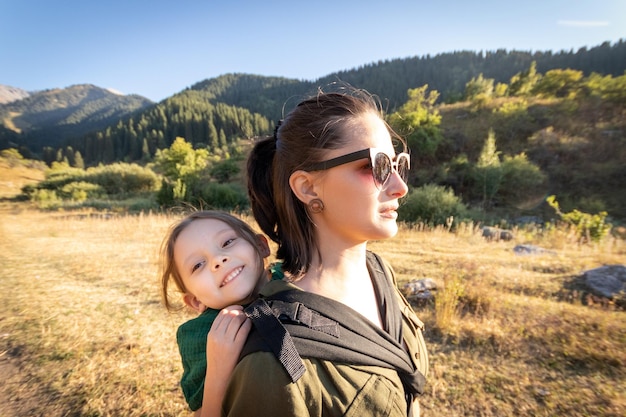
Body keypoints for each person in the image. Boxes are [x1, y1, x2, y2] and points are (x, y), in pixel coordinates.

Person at [222, 88, 429, 416]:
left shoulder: (379, 272)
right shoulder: (275, 361)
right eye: (376, 166)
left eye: (397, 165)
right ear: (308, 187)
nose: (400, 187)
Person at [159, 210, 277, 417]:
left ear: (261, 246)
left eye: (228, 242)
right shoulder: (201, 335)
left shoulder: (297, 277)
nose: (218, 260)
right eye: (198, 265)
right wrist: (218, 370)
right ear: (196, 301)